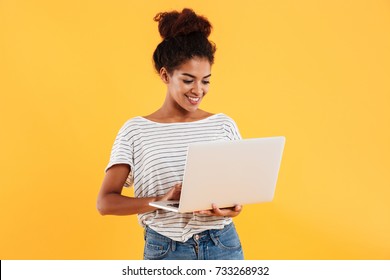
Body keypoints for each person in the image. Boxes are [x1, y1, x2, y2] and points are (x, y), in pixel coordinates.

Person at [97, 8, 244, 260]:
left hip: (223, 245)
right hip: (166, 249)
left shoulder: (223, 125)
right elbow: (105, 203)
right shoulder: (136, 131)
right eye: (188, 80)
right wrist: (160, 199)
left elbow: (237, 194)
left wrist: (232, 208)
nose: (198, 90)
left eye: (205, 80)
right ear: (166, 75)